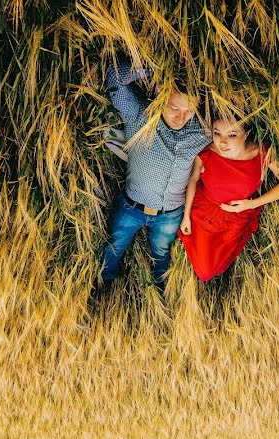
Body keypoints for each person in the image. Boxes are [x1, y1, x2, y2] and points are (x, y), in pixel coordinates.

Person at [99, 55, 210, 290]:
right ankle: (103, 286)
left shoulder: (202, 132)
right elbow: (114, 80)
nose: (181, 117)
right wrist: (157, 69)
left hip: (170, 215)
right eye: (174, 108)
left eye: (189, 111)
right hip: (131, 207)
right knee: (114, 247)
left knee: (161, 255)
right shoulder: (140, 115)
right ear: (161, 93)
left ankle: (160, 293)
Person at [177, 117, 279, 281]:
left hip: (238, 216)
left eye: (232, 135)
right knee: (204, 272)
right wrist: (186, 217)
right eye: (217, 134)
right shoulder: (206, 152)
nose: (223, 142)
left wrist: (251, 204)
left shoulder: (262, 153)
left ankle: (220, 274)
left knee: (220, 264)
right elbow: (193, 180)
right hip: (206, 213)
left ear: (246, 134)